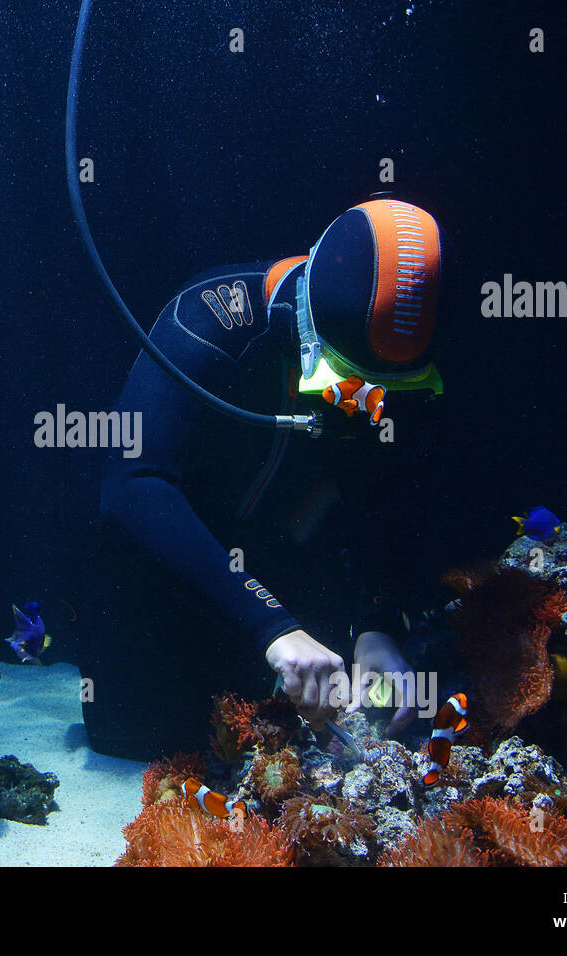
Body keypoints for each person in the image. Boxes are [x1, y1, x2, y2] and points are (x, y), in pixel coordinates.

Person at [84, 198, 446, 761]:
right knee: (145, 746)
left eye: (386, 393)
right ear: (307, 328)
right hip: (170, 593)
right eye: (348, 382)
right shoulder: (210, 318)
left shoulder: (397, 370)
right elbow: (131, 488)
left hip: (292, 609)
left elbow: (392, 491)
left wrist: (377, 623)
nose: (365, 405)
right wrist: (271, 628)